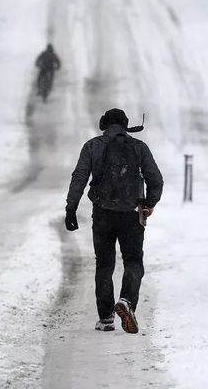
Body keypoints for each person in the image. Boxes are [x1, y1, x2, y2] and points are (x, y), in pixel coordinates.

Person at [65, 108, 163, 334]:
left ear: (103, 125)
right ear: (126, 126)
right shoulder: (139, 148)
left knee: (104, 263)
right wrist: (149, 203)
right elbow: (156, 180)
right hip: (131, 214)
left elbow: (79, 176)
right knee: (133, 261)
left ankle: (106, 317)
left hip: (102, 214)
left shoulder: (93, 146)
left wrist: (71, 207)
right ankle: (127, 300)